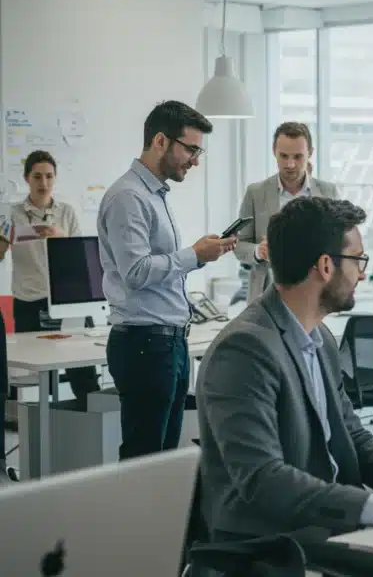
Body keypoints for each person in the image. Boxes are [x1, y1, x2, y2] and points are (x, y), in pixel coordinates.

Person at [197, 196, 373, 542]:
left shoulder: (319, 337)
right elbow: (263, 478)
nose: (363, 272)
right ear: (326, 266)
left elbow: (351, 435)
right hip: (270, 545)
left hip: (327, 526)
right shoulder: (244, 350)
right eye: (358, 260)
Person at [98, 100, 237, 460]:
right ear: (161, 140)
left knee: (162, 463)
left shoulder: (153, 195)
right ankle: (134, 519)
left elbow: (158, 268)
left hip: (167, 342)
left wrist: (202, 256)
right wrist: (193, 254)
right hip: (145, 344)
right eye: (191, 149)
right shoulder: (128, 197)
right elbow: (136, 272)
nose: (195, 160)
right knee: (144, 462)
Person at [0, 150, 99, 401]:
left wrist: (59, 236)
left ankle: (92, 426)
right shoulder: (11, 214)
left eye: (49, 176)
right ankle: (33, 425)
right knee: (30, 369)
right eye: (37, 177)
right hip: (29, 300)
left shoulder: (67, 212)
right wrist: (4, 240)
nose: (43, 183)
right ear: (27, 179)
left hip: (68, 301)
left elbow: (81, 255)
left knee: (82, 370)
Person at [235, 122, 339, 303]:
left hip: (315, 294)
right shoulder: (256, 193)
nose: (290, 164)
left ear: (310, 154)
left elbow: (340, 243)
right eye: (283, 156)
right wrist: (258, 251)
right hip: (266, 295)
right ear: (274, 152)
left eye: (298, 157)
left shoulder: (328, 193)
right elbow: (238, 245)